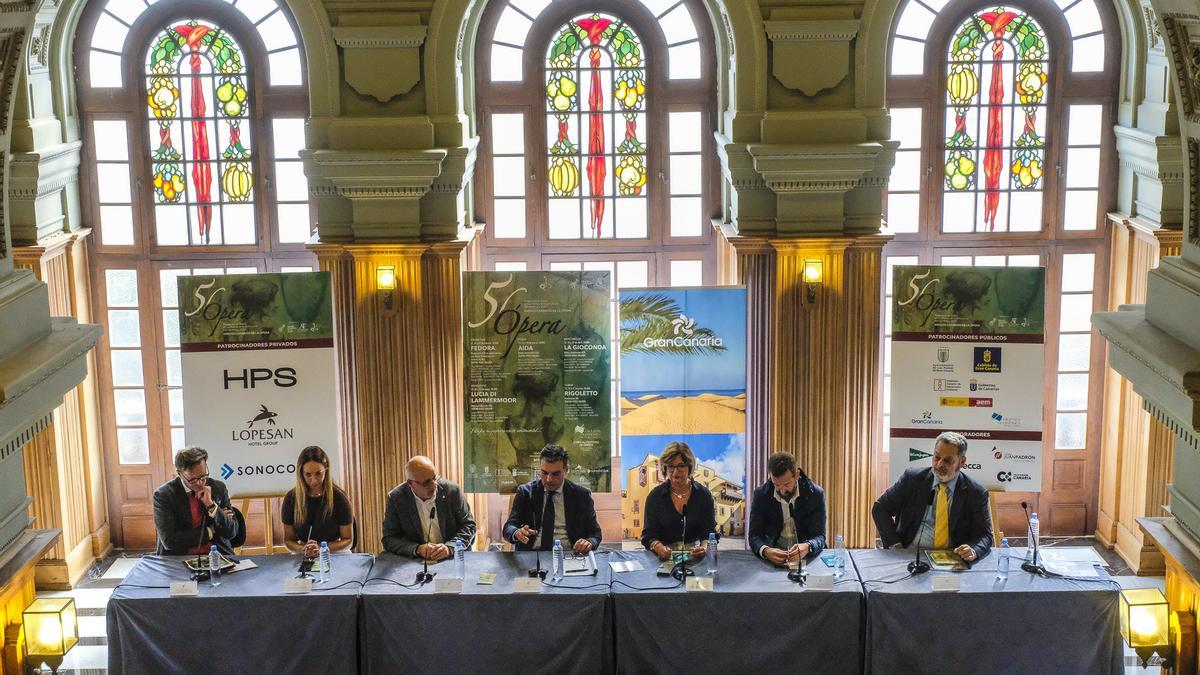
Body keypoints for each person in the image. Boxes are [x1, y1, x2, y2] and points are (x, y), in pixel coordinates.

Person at [871, 431, 992, 562]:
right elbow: (880, 508)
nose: (939, 464)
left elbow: (984, 535)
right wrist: (894, 545)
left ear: (962, 462)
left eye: (947, 461)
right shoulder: (913, 479)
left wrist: (973, 550)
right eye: (936, 457)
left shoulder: (975, 493)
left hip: (951, 559)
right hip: (909, 555)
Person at [504, 444, 603, 555]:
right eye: (544, 473)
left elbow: (595, 533)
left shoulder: (581, 495)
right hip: (532, 555)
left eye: (556, 474)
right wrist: (516, 532)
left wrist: (589, 542)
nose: (549, 479)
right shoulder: (526, 492)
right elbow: (509, 527)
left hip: (569, 554)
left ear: (566, 470)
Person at [381, 455, 476, 559]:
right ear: (410, 483)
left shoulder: (452, 491)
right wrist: (417, 549)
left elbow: (469, 525)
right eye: (426, 482)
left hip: (453, 558)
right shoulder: (396, 498)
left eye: (434, 478)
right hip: (416, 562)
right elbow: (389, 538)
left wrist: (450, 547)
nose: (433, 485)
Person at [153, 447, 239, 555]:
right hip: (178, 558)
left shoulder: (218, 488)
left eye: (203, 476)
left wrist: (211, 505)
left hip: (217, 554)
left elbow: (231, 532)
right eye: (193, 479)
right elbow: (170, 541)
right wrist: (211, 531)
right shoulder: (164, 495)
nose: (200, 483)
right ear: (179, 473)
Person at [640, 441, 717, 561]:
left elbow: (709, 531)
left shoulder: (704, 495)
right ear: (665, 468)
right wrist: (658, 547)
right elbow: (648, 535)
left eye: (681, 466)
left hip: (696, 558)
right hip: (663, 559)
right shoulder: (655, 496)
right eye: (671, 466)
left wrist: (704, 547)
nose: (675, 472)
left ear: (689, 467)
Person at [748, 451, 826, 566]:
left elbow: (820, 535)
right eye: (776, 485)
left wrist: (808, 546)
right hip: (774, 557)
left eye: (787, 484)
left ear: (797, 475)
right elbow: (754, 535)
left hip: (806, 557)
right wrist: (765, 550)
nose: (782, 490)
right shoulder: (761, 495)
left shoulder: (815, 494)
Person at [282, 445, 354, 558]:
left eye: (318, 473)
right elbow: (288, 540)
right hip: (303, 553)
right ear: (301, 473)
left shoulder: (339, 498)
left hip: (334, 553)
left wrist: (322, 548)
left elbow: (348, 540)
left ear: (326, 470)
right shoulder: (291, 498)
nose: (313, 480)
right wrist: (302, 548)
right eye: (308, 475)